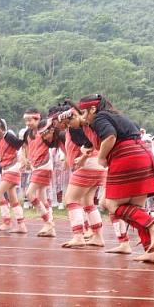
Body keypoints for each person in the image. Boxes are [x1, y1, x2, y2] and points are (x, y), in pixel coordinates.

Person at [67, 94, 154, 263]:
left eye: (84, 112)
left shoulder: (100, 117)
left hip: (126, 156)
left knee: (109, 204)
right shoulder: (116, 115)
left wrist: (102, 157)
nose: (84, 117)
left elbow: (110, 136)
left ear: (92, 109)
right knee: (135, 208)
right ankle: (151, 251)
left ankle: (153, 227)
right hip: (142, 154)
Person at [51, 102, 106, 249]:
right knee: (88, 201)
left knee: (70, 199)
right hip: (97, 165)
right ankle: (98, 237)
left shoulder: (75, 128)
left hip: (88, 164)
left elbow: (89, 142)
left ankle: (78, 236)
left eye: (57, 121)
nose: (56, 125)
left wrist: (82, 158)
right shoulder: (78, 126)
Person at [0, 118, 26, 233]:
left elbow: (21, 144)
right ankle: (21, 225)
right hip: (5, 169)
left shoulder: (8, 136)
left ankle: (6, 221)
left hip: (12, 168)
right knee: (13, 198)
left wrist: (23, 157)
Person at [23, 115, 56, 237]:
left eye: (29, 120)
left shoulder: (44, 132)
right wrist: (26, 159)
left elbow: (52, 138)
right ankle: (50, 228)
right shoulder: (28, 133)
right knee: (42, 197)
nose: (27, 123)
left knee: (29, 194)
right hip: (36, 166)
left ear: (37, 119)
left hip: (44, 166)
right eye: (25, 120)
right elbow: (25, 146)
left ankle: (48, 222)